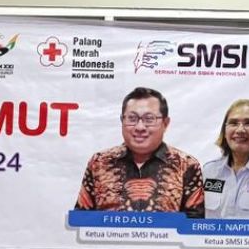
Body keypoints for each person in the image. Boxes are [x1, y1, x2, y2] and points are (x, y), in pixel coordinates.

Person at [74, 86, 205, 219]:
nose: (140, 127)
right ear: (122, 121)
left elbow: (194, 225)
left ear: (165, 123)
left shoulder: (186, 165)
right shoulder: (99, 163)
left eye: (149, 119)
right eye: (132, 118)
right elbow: (81, 219)